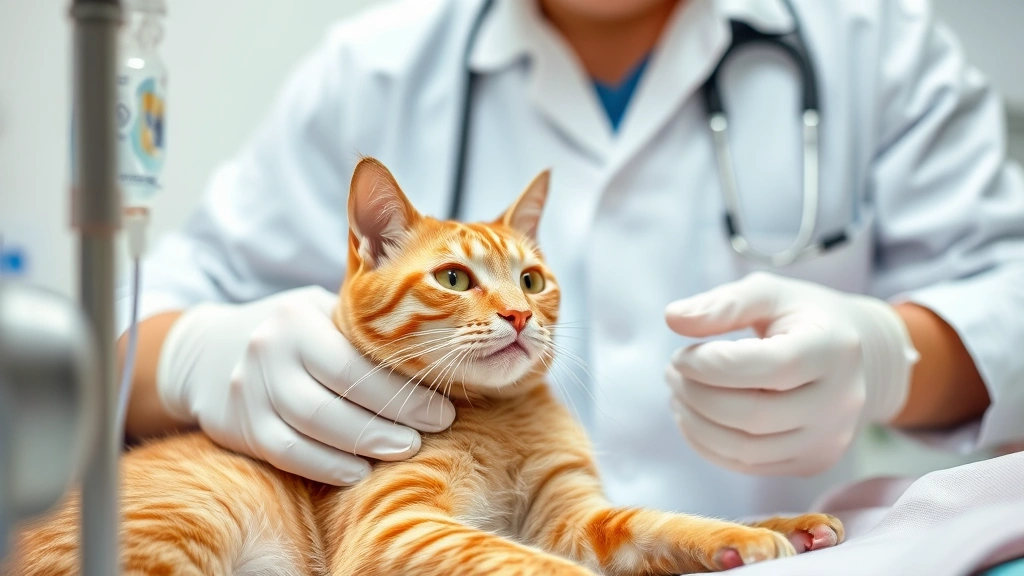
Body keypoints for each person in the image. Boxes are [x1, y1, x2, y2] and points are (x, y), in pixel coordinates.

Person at [118, 0, 1024, 519]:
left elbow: (1007, 292)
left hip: (770, 549)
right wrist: (196, 355)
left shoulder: (872, 39)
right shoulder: (374, 68)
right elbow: (119, 323)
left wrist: (891, 357)